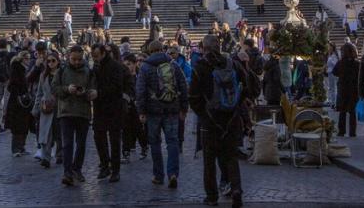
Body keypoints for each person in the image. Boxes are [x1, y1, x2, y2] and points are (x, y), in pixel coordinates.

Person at [190, 34, 254, 208]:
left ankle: (212, 197)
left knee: (209, 161)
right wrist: (237, 105)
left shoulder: (201, 67)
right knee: (231, 157)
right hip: (231, 118)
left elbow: (193, 96)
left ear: (204, 49)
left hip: (210, 121)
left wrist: (203, 114)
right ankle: (236, 189)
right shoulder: (232, 63)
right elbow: (247, 86)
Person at [136, 40, 188, 188]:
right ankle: (172, 173)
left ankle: (158, 176)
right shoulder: (173, 64)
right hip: (172, 109)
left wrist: (141, 111)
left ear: (150, 51)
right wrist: (184, 108)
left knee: (155, 143)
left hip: (153, 111)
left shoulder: (145, 67)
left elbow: (140, 91)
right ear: (162, 49)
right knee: (173, 142)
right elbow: (183, 85)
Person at [54, 45, 98, 186]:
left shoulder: (89, 72)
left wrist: (88, 93)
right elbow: (54, 89)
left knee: (81, 144)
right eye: (74, 59)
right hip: (66, 112)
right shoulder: (61, 71)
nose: (77, 62)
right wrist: (67, 89)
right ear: (68, 57)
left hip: (82, 112)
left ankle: (77, 169)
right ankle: (67, 172)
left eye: (79, 59)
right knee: (67, 144)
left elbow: (93, 89)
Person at [91, 44, 127, 182]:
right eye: (93, 56)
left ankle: (115, 170)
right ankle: (105, 165)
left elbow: (117, 87)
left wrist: (98, 93)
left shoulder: (116, 66)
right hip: (99, 108)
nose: (94, 58)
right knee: (98, 137)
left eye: (96, 55)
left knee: (114, 140)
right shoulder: (95, 66)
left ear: (103, 53)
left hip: (114, 108)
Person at [34, 50, 63, 167]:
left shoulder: (62, 74)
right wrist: (36, 108)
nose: (50, 63)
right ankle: (46, 157)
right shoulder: (43, 75)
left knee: (59, 132)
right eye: (48, 61)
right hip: (46, 107)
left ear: (58, 62)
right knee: (46, 133)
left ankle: (60, 155)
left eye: (53, 61)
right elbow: (39, 93)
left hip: (60, 106)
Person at [5, 50, 34, 155]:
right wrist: (19, 95)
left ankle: (21, 147)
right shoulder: (17, 69)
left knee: (24, 125)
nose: (29, 60)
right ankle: (16, 148)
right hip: (17, 102)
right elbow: (12, 86)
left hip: (24, 101)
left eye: (29, 58)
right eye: (27, 58)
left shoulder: (24, 69)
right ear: (22, 59)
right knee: (17, 126)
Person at [332, 42, 361, 137]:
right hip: (353, 89)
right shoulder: (357, 63)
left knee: (342, 111)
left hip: (343, 88)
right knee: (352, 111)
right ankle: (353, 132)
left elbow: (334, 72)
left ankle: (341, 131)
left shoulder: (340, 63)